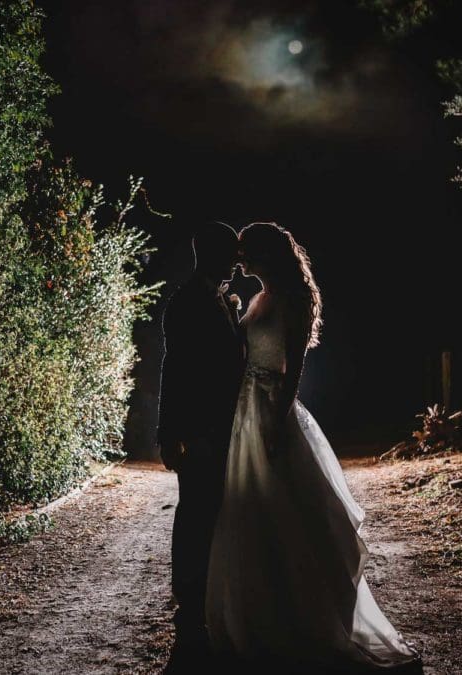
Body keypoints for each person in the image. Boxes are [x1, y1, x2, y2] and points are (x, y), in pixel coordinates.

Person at [205, 222, 421, 672]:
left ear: (267, 254)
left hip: (271, 408)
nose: (239, 258)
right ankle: (259, 618)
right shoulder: (257, 299)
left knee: (289, 513)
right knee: (251, 510)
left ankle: (305, 621)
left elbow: (295, 364)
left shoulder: (295, 301)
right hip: (245, 409)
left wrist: (278, 421)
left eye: (246, 251)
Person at [157, 222, 245, 664]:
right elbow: (174, 372)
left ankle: (208, 602)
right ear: (212, 254)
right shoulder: (189, 301)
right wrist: (170, 435)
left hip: (225, 428)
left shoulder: (219, 298)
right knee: (194, 514)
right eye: (232, 253)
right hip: (198, 431)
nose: (237, 262)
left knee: (212, 514)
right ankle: (190, 610)